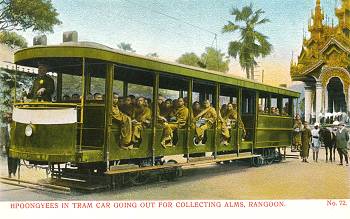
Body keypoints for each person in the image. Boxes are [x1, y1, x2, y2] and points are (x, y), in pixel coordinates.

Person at [2, 112, 19, 177]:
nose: (9, 119)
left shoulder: (15, 126)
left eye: (10, 117)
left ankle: (14, 172)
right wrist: (3, 146)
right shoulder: (5, 126)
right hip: (8, 145)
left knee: (15, 159)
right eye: (8, 118)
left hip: (15, 145)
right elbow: (3, 136)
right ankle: (9, 173)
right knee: (9, 159)